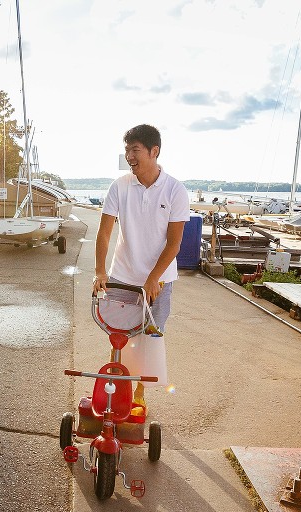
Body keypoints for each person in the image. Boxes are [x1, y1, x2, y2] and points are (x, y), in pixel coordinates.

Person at [92, 124, 189, 408]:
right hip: (122, 276)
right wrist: (100, 271)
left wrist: (153, 278)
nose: (129, 157)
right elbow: (104, 233)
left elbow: (174, 243)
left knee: (149, 339)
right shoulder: (119, 186)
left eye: (135, 150)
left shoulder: (175, 190)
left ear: (153, 151)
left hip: (159, 280)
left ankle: (139, 395)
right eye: (127, 151)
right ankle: (115, 391)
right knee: (119, 338)